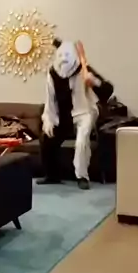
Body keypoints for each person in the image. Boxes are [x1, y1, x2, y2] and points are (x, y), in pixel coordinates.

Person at [37, 39, 113, 190]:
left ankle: (82, 176)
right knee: (47, 138)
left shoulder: (85, 70)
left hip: (85, 112)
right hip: (63, 115)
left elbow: (108, 91)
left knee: (81, 141)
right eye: (61, 55)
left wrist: (94, 82)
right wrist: (48, 119)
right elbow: (50, 99)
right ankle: (52, 175)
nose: (64, 59)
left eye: (67, 55)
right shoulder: (52, 74)